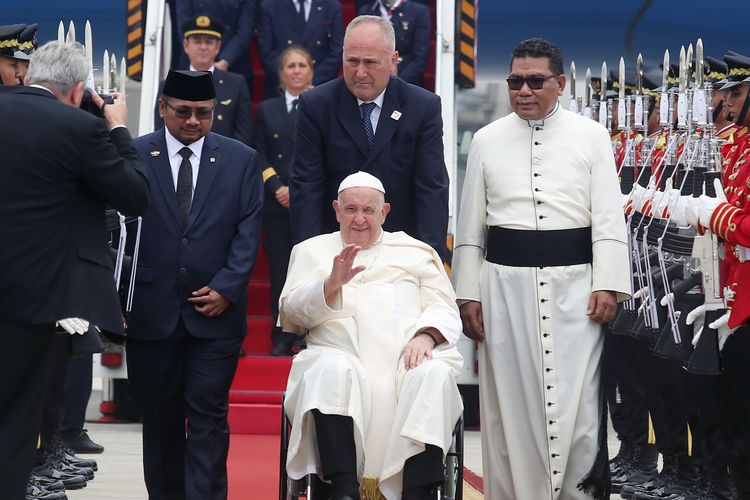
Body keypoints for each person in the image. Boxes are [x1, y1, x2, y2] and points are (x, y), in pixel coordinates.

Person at [452, 38, 631, 500]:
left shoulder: (591, 135)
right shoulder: (488, 138)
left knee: (582, 415)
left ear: (560, 83)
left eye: (535, 81)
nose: (524, 91)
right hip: (503, 293)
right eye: (515, 81)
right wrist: (467, 294)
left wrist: (609, 283)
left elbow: (608, 216)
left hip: (577, 289)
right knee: (510, 409)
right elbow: (471, 225)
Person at [0, 40, 149, 500]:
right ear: (78, 89)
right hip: (38, 298)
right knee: (17, 420)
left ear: (30, 74)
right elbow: (135, 194)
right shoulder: (79, 128)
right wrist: (119, 128)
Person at [280, 171, 463, 500]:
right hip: (339, 355)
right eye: (350, 209)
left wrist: (426, 336)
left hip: (405, 361)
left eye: (369, 210)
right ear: (336, 210)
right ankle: (343, 486)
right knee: (327, 370)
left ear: (385, 212)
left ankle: (417, 491)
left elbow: (446, 309)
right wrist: (331, 283)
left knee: (433, 374)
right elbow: (292, 314)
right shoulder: (310, 251)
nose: (359, 219)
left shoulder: (416, 252)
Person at [126, 69, 263, 500]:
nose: (193, 121)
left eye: (204, 113)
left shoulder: (241, 159)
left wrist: (228, 287)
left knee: (207, 417)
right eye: (183, 111)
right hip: (151, 313)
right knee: (161, 422)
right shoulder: (132, 155)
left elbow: (249, 229)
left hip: (216, 318)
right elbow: (116, 228)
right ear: (162, 107)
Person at [289, 15, 448, 259]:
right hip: (334, 248)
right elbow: (307, 186)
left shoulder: (422, 107)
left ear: (393, 60)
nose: (360, 72)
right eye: (352, 61)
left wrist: (429, 257)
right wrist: (310, 254)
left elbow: (431, 187)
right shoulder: (316, 105)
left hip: (401, 249)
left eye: (371, 62)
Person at [253, 46, 314, 356]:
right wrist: (277, 185)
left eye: (302, 65)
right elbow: (260, 153)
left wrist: (299, 190)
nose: (296, 70)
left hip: (310, 201)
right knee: (280, 270)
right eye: (290, 65)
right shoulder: (267, 109)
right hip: (278, 203)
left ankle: (304, 333)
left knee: (308, 270)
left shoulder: (320, 105)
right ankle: (280, 334)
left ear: (311, 71)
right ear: (281, 73)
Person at [155, 15, 252, 146]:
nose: (203, 47)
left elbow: (243, 134)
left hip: (223, 160)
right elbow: (161, 130)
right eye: (197, 41)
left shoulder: (236, 84)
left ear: (218, 47)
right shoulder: (169, 83)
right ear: (186, 45)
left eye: (208, 42)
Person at [257, 0, 343, 97]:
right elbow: (266, 51)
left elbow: (337, 50)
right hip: (280, 90)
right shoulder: (270, 5)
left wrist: (309, 81)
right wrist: (289, 81)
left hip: (320, 88)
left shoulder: (331, 6)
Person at [176, 0, 257, 95]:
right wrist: (200, 61)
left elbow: (245, 30)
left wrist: (226, 60)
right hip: (193, 62)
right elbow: (183, 25)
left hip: (234, 62)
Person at [357, 0, 431, 86]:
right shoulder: (366, 11)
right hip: (372, 77)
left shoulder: (419, 11)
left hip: (405, 79)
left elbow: (420, 58)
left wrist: (396, 83)